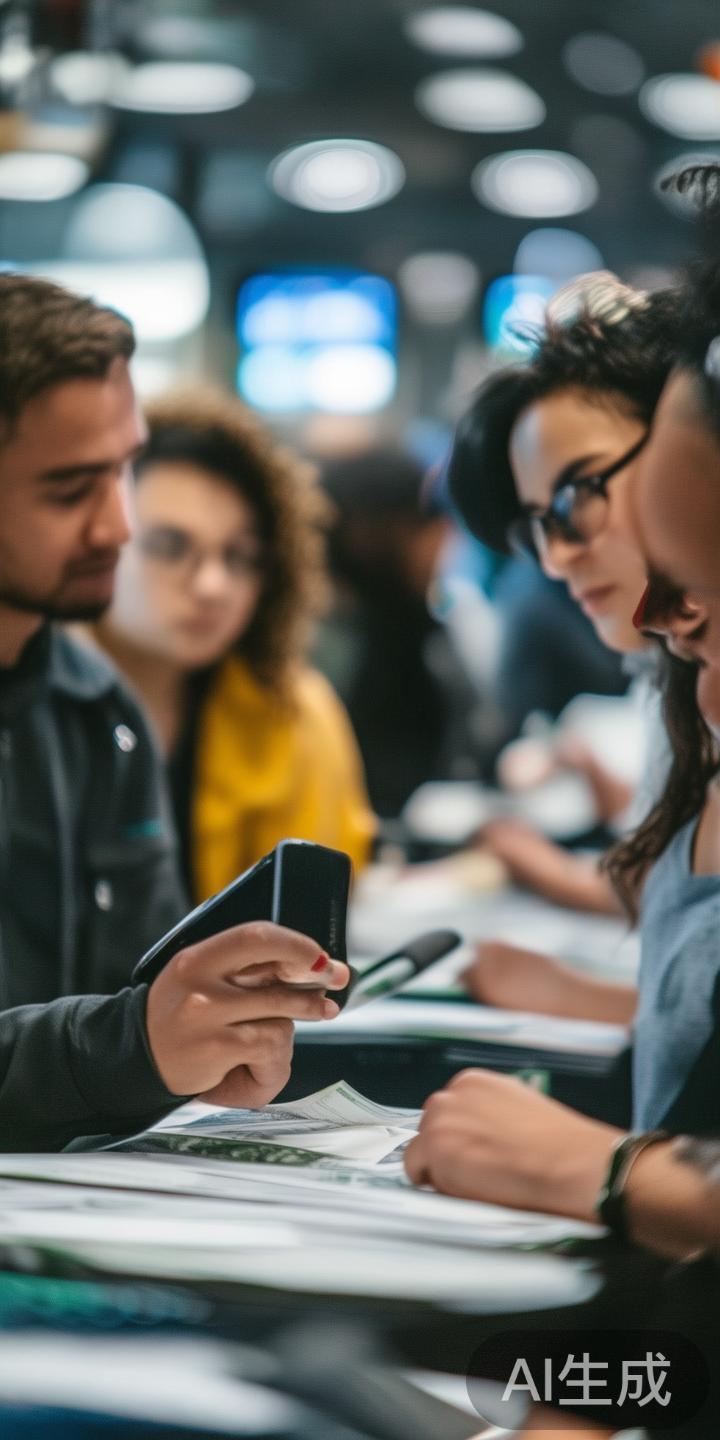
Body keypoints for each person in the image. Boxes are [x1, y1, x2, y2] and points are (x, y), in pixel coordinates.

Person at [0, 271, 349, 1149]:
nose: (117, 526)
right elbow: (113, 1039)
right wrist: (129, 1047)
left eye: (124, 470)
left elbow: (132, 1009)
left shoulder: (97, 709)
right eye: (70, 488)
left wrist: (215, 1032)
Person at [84, 386, 375, 902]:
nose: (213, 586)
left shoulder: (294, 713)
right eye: (170, 547)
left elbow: (309, 934)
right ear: (99, 540)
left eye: (239, 557)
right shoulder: (33, 707)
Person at [314, 445, 485, 819]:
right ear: (372, 535)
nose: (445, 537)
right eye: (426, 520)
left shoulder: (416, 624)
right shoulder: (336, 648)